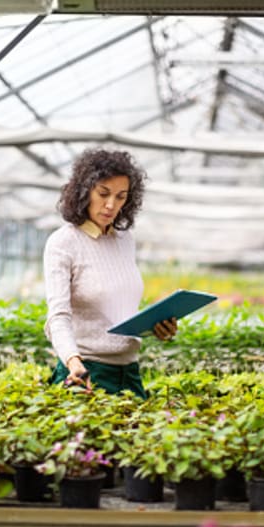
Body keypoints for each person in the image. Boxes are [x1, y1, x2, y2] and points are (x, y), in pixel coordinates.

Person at [43, 148, 177, 399]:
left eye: (120, 196)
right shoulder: (63, 243)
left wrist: (156, 328)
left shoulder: (125, 240)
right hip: (86, 372)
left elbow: (118, 308)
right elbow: (58, 316)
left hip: (130, 372)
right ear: (84, 191)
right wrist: (74, 363)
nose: (111, 205)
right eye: (103, 193)